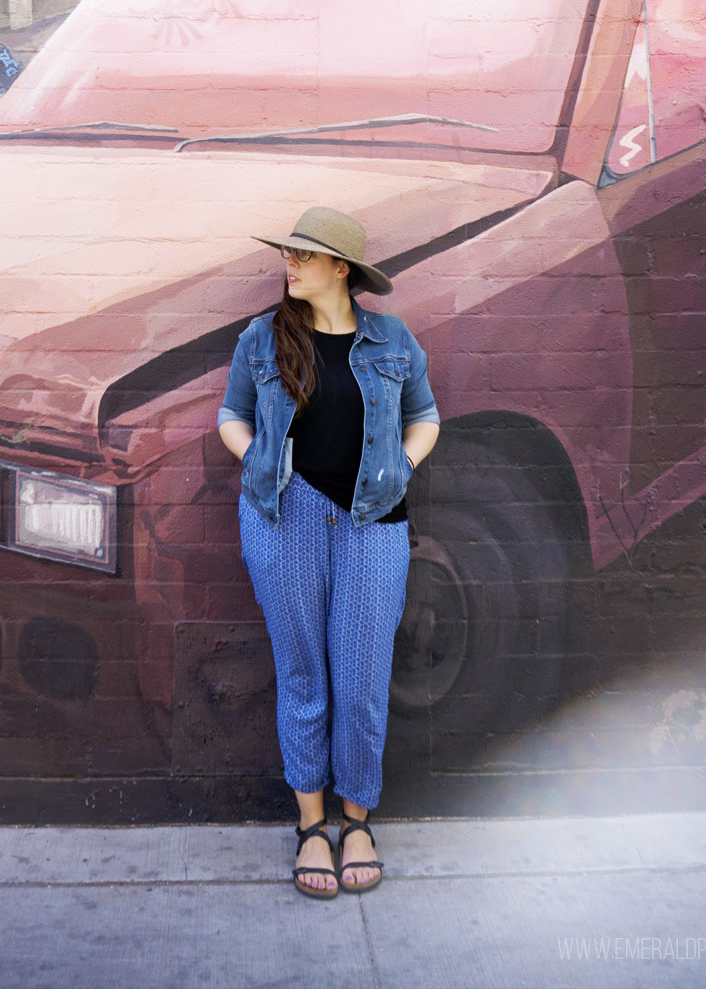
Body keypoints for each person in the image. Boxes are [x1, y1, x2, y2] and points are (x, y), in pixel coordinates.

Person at [216, 205, 441, 899]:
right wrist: (256, 460)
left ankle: (357, 820)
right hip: (286, 517)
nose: (290, 265)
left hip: (374, 518)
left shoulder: (392, 339)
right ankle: (311, 826)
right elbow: (232, 414)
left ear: (341, 269)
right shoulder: (261, 338)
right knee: (304, 671)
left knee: (365, 676)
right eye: (288, 254)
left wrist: (400, 468)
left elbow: (425, 416)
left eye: (304, 256)